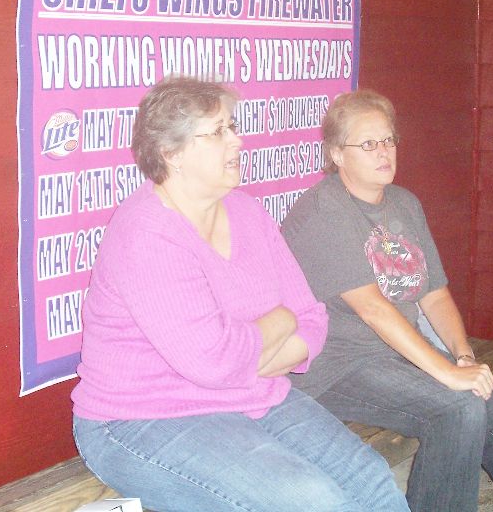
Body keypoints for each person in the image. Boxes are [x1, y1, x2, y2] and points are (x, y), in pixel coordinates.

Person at [71, 77, 410, 512]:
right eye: (218, 132)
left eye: (232, 126)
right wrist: (279, 320)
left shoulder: (247, 212)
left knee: (370, 478)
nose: (237, 140)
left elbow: (311, 318)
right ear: (172, 153)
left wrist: (247, 359)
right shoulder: (146, 233)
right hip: (143, 418)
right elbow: (216, 360)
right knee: (312, 500)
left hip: (251, 394)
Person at [281, 89, 493, 512]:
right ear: (336, 154)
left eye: (388, 140)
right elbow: (373, 309)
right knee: (458, 409)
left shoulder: (404, 203)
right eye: (368, 144)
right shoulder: (323, 211)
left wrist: (462, 356)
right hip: (338, 365)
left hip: (398, 355)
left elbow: (434, 294)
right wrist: (447, 373)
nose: (384, 152)